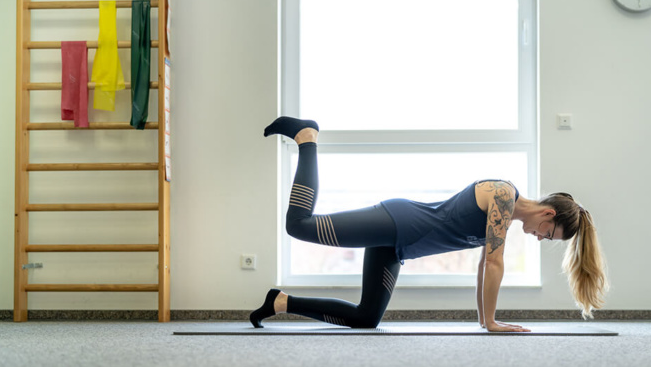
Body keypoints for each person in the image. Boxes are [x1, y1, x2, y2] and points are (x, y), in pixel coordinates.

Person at [250, 117, 609, 333]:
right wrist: (494, 323)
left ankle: (281, 303)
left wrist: (486, 322)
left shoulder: (507, 216)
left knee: (365, 318)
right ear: (548, 215)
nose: (540, 238)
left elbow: (486, 265)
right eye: (549, 235)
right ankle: (306, 138)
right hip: (397, 222)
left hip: (399, 244)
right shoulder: (503, 195)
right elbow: (495, 263)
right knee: (298, 225)